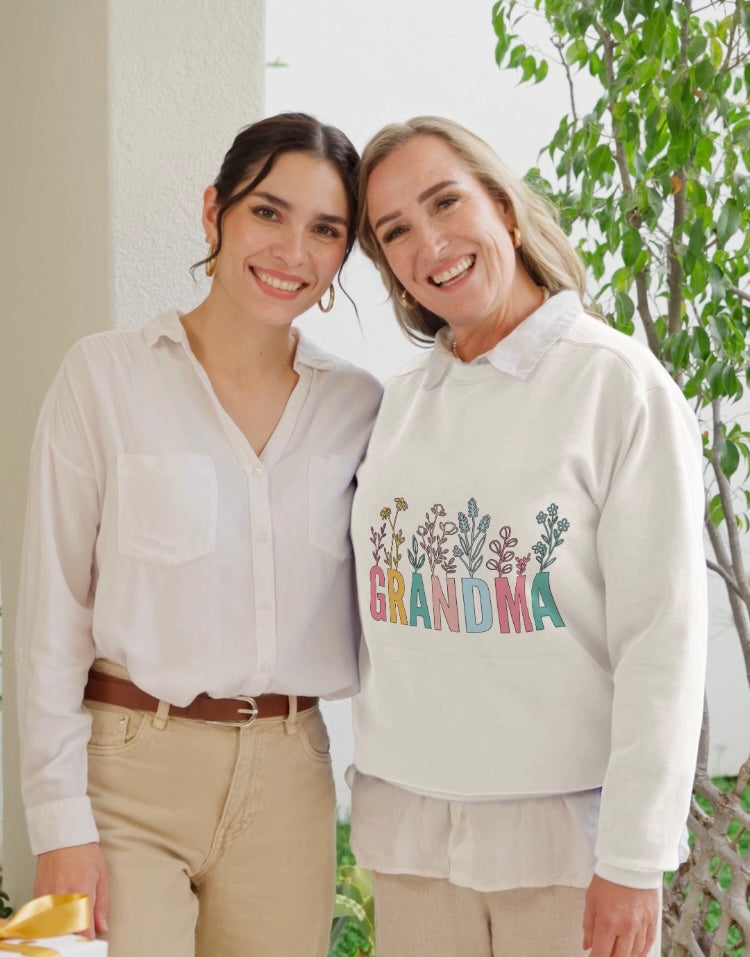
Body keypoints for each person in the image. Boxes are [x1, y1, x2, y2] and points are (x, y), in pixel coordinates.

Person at [17, 111, 382, 957]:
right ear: (214, 208)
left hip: (292, 776)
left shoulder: (360, 407)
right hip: (122, 771)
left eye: (326, 229)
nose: (293, 251)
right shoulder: (101, 375)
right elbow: (48, 620)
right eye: (268, 212)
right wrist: (56, 821)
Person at [348, 116, 706, 957]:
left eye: (445, 202)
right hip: (412, 837)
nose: (428, 242)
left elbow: (665, 636)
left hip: (566, 850)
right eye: (394, 230)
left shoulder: (615, 385)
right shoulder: (402, 403)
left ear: (504, 208)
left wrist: (634, 857)